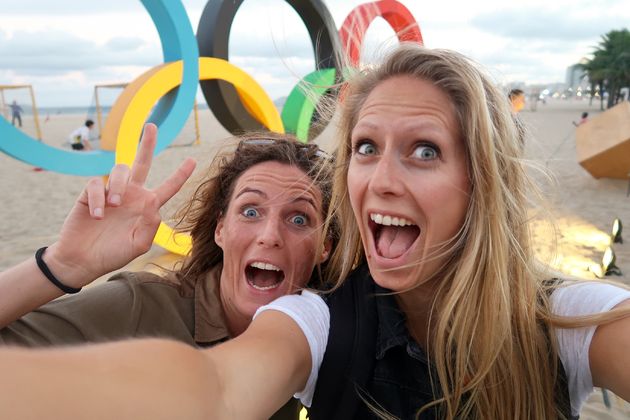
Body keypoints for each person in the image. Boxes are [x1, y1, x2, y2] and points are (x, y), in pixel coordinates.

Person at [1, 45, 630, 420]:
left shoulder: (563, 322)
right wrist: (62, 265)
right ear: (216, 229)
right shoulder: (318, 322)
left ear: (482, 182)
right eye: (365, 147)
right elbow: (212, 387)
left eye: (424, 151)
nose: (381, 178)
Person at [0, 124, 334, 420]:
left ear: (324, 246)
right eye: (250, 211)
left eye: (299, 219)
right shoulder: (141, 304)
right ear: (220, 230)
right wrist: (62, 265)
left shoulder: (330, 327)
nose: (269, 235)